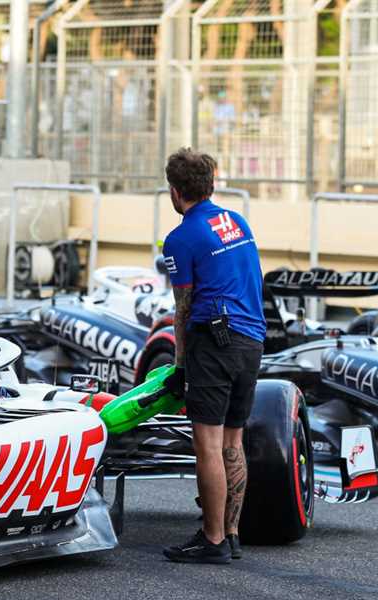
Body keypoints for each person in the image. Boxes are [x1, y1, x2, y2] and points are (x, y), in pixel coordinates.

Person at [158, 148, 266, 565]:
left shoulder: (180, 238)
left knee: (206, 444)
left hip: (213, 342)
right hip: (251, 341)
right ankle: (233, 533)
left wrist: (180, 365)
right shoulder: (237, 222)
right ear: (211, 184)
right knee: (232, 441)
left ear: (174, 191)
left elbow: (182, 307)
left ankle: (213, 537)